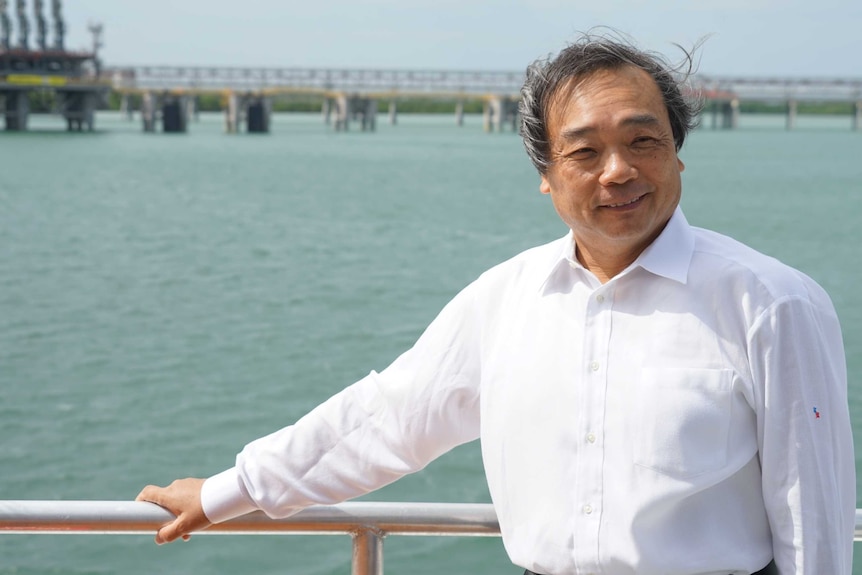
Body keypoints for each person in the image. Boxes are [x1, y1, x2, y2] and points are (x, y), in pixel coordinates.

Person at [137, 32, 855, 575]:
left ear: (678, 154)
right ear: (545, 174)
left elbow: (812, 514)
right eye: (584, 152)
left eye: (645, 141)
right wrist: (232, 489)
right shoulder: (506, 298)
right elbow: (388, 417)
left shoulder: (772, 303)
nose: (619, 171)